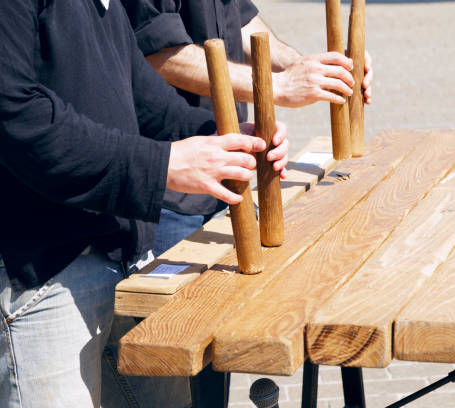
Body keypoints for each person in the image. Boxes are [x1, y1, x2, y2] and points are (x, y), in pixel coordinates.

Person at [0, 0, 288, 407]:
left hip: (124, 258)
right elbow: (16, 115)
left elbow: (145, 102)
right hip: (41, 275)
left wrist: (228, 138)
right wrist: (163, 165)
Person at [121, 0, 374, 256]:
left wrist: (309, 70)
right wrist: (277, 85)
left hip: (230, 167)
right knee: (190, 295)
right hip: (172, 189)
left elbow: (240, 22)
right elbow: (156, 55)